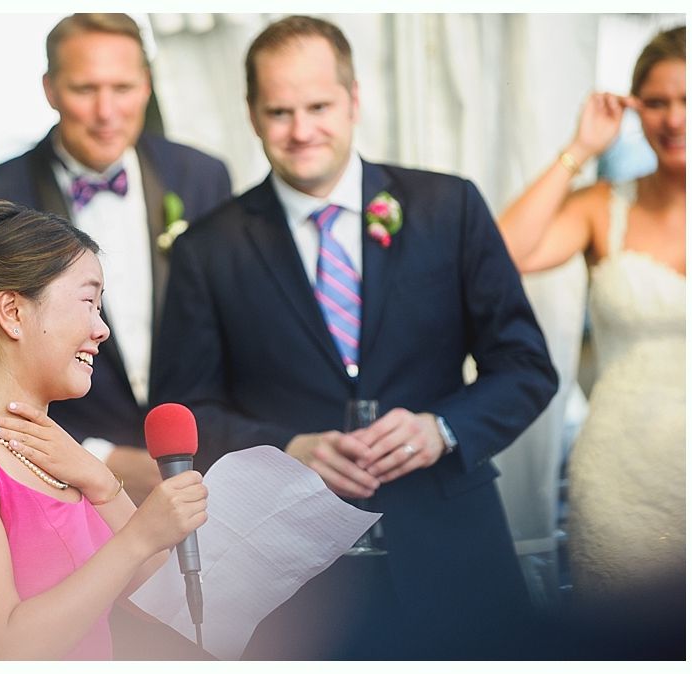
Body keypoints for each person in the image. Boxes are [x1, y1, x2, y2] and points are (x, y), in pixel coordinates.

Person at [152, 16, 558, 659]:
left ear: (354, 99)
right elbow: (182, 411)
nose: (302, 130)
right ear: (253, 115)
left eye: (319, 106)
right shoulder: (209, 248)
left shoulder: (448, 208)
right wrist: (285, 447)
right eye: (279, 111)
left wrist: (442, 428)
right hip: (296, 585)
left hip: (453, 548)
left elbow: (527, 366)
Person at [0, 13, 232, 508]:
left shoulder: (204, 178)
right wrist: (95, 456)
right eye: (85, 89)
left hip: (198, 474)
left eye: (123, 87)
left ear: (147, 86)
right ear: (49, 89)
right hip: (50, 484)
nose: (106, 111)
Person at [0, 201, 208, 660]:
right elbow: (4, 650)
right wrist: (138, 535)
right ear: (13, 312)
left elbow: (167, 607)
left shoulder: (54, 453)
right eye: (88, 302)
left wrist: (102, 483)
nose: (102, 330)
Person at [497, 26, 685, 631]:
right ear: (634, 108)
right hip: (622, 482)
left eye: (690, 99)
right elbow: (503, 252)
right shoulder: (603, 207)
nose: (674, 119)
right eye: (657, 102)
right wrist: (579, 148)